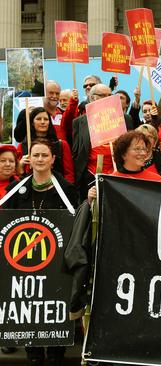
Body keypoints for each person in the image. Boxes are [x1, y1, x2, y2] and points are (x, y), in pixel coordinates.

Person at [0, 138, 78, 366]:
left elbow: (75, 222)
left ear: (53, 159)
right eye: (36, 155)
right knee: (29, 301)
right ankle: (33, 353)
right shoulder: (16, 189)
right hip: (23, 262)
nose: (40, 159)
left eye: (45, 155)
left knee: (54, 300)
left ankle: (56, 353)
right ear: (28, 159)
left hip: (57, 261)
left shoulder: (67, 189)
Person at [72, 83, 135, 196]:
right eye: (102, 95)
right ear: (92, 98)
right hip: (91, 174)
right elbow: (77, 151)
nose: (107, 99)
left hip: (117, 172)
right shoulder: (79, 122)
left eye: (109, 95)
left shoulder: (125, 119)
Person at [17, 107, 75, 184]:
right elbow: (16, 175)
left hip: (57, 191)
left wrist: (67, 190)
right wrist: (20, 166)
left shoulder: (61, 145)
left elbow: (69, 174)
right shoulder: (22, 146)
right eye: (38, 119)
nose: (43, 122)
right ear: (32, 123)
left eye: (46, 119)